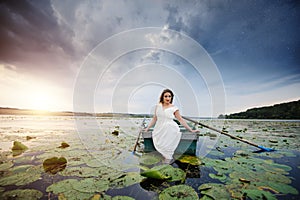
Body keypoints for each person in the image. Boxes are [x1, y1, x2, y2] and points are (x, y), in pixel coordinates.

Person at [144, 89, 199, 164]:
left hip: (170, 128)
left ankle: (167, 160)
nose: (167, 98)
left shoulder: (174, 108)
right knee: (159, 139)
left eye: (169, 96)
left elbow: (180, 120)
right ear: (162, 97)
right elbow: (154, 118)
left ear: (171, 98)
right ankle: (164, 157)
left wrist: (191, 130)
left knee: (167, 149)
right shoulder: (158, 106)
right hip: (159, 128)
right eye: (166, 96)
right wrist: (147, 128)